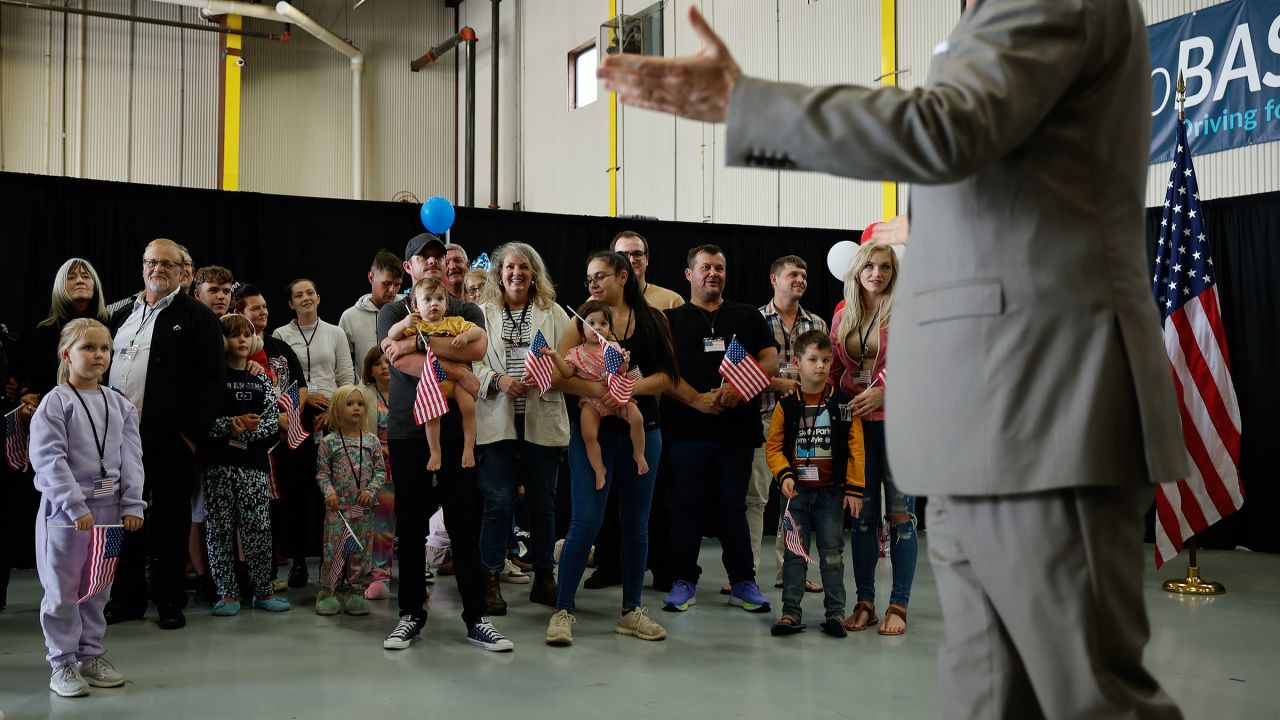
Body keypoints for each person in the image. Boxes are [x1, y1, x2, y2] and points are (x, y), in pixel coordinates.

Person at [599, 4, 1186, 717]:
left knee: (1085, 695)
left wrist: (748, 104)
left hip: (1044, 403)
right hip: (991, 414)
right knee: (993, 694)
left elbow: (947, 128)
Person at [378, 232, 511, 653]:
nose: (433, 263)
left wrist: (420, 343)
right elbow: (403, 360)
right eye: (424, 258)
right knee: (411, 525)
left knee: (464, 524)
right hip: (408, 429)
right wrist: (458, 372)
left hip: (458, 433)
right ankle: (410, 615)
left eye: (440, 256)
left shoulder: (465, 307)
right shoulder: (395, 310)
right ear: (409, 268)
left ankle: (477, 618)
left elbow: (479, 346)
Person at [546, 250, 677, 646]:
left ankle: (631, 610)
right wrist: (602, 391)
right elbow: (559, 376)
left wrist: (627, 390)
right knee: (585, 520)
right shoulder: (580, 321)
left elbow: (667, 377)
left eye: (600, 276)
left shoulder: (653, 319)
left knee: (637, 523)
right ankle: (563, 610)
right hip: (594, 432)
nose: (594, 284)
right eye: (589, 279)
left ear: (623, 276)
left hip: (642, 429)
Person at [106, 238, 225, 631]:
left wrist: (189, 437)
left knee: (171, 525)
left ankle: (170, 601)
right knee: (124, 519)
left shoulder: (199, 318)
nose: (158, 269)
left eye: (167, 264)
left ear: (182, 272)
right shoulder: (119, 315)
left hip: (171, 441)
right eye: (151, 262)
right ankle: (126, 599)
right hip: (119, 441)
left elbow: (212, 385)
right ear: (142, 267)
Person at [29, 319, 145, 697]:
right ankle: (61, 662)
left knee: (98, 587)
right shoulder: (55, 402)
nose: (98, 355)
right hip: (67, 517)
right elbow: (49, 459)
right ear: (67, 354)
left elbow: (131, 457)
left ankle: (89, 655)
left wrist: (132, 503)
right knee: (63, 590)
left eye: (105, 349)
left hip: (110, 514)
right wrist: (74, 505)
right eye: (88, 348)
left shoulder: (119, 404)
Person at [660, 244, 777, 614]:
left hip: (736, 432)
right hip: (685, 432)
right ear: (689, 274)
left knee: (733, 508)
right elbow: (663, 373)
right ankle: (683, 582)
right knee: (687, 509)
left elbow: (770, 357)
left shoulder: (746, 315)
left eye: (720, 268)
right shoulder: (670, 319)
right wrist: (696, 399)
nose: (713, 274)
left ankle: (744, 582)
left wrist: (738, 388)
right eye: (706, 267)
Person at [472, 242, 569, 614]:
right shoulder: (481, 313)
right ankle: (490, 577)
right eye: (510, 267)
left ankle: (544, 576)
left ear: (534, 274)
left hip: (541, 421)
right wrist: (497, 380)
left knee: (544, 503)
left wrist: (550, 371)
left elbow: (567, 362)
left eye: (524, 268)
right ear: (499, 273)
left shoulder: (554, 313)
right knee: (498, 502)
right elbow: (469, 365)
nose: (517, 273)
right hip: (497, 422)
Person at [829, 241, 915, 634]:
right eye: (870, 266)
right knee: (861, 519)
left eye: (885, 267)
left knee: (900, 518)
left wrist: (886, 390)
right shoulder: (843, 315)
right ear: (857, 270)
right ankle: (866, 602)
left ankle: (898, 606)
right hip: (856, 429)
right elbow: (833, 372)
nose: (877, 273)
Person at [765, 330, 863, 638]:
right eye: (812, 360)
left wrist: (854, 487)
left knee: (833, 553)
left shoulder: (843, 404)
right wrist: (784, 474)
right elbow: (774, 446)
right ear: (797, 363)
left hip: (831, 493)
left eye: (825, 360)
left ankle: (835, 613)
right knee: (795, 554)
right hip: (795, 493)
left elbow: (855, 446)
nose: (820, 366)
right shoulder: (787, 406)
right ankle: (790, 612)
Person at [748, 255, 826, 596]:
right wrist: (778, 383)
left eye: (804, 274)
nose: (801, 279)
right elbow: (740, 371)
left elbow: (827, 373)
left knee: (798, 499)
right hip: (764, 418)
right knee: (755, 498)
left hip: (805, 423)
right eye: (794, 273)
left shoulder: (817, 324)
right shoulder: (753, 320)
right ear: (773, 279)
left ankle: (791, 572)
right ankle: (746, 574)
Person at [202, 314, 289, 617]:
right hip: (218, 466)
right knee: (219, 529)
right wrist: (231, 424)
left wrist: (251, 429)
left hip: (253, 465)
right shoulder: (212, 377)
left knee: (259, 529)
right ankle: (227, 594)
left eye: (246, 335)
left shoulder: (260, 377)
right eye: (233, 335)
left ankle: (263, 590)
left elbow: (272, 420)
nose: (241, 340)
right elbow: (202, 421)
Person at [272, 278, 355, 587]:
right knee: (296, 495)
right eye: (298, 295)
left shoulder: (335, 333)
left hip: (331, 418)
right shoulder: (280, 334)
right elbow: (280, 379)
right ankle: (296, 563)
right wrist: (304, 403)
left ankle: (329, 562)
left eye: (310, 293)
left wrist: (332, 408)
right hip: (295, 417)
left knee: (330, 498)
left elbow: (347, 377)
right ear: (290, 303)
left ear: (319, 298)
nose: (305, 298)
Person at [231, 284, 308, 592]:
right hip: (255, 441)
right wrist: (270, 419)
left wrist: (291, 415)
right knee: (263, 508)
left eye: (264, 306)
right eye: (255, 308)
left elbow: (300, 386)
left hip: (288, 435)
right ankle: (264, 568)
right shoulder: (233, 351)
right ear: (240, 313)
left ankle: (300, 562)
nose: (263, 311)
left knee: (297, 500)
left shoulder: (280, 346)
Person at [544, 300, 647, 486]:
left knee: (638, 419)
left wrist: (625, 361)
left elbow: (623, 370)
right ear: (581, 327)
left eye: (603, 323)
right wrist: (555, 357)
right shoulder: (575, 353)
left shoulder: (613, 347)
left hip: (616, 395)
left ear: (609, 327)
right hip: (591, 402)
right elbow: (566, 374)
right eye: (591, 323)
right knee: (588, 434)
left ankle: (639, 454)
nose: (597, 328)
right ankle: (599, 469)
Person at [386, 278, 482, 470]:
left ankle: (469, 448)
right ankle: (435, 452)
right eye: (427, 299)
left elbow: (477, 331)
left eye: (439, 299)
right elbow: (391, 336)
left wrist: (465, 336)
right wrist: (404, 324)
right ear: (415, 305)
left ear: (447, 305)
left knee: (469, 409)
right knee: (432, 416)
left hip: (458, 382)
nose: (434, 303)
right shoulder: (416, 325)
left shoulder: (455, 322)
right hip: (434, 382)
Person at [314, 385, 385, 617]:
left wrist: (372, 490)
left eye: (360, 404)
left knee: (360, 552)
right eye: (350, 403)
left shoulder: (372, 441)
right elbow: (322, 473)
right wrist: (329, 493)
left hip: (362, 510)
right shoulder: (330, 442)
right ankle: (328, 592)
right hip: (338, 509)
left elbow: (380, 472)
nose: (356, 408)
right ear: (337, 409)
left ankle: (354, 592)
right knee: (334, 550)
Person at [359, 346, 395, 600]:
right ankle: (379, 575)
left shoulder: (410, 390)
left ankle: (415, 574)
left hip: (409, 464)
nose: (384, 366)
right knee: (382, 524)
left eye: (388, 360)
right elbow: (358, 433)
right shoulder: (364, 395)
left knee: (412, 525)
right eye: (377, 363)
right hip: (380, 470)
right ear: (370, 370)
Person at [339, 250, 404, 371]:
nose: (392, 290)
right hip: (364, 388)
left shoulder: (407, 309)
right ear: (371, 277)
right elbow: (343, 366)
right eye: (386, 283)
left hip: (401, 388)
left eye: (397, 285)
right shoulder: (349, 317)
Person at [611, 231, 684, 310]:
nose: (631, 260)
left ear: (647, 259)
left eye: (638, 254)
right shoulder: (601, 301)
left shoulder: (672, 302)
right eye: (623, 255)